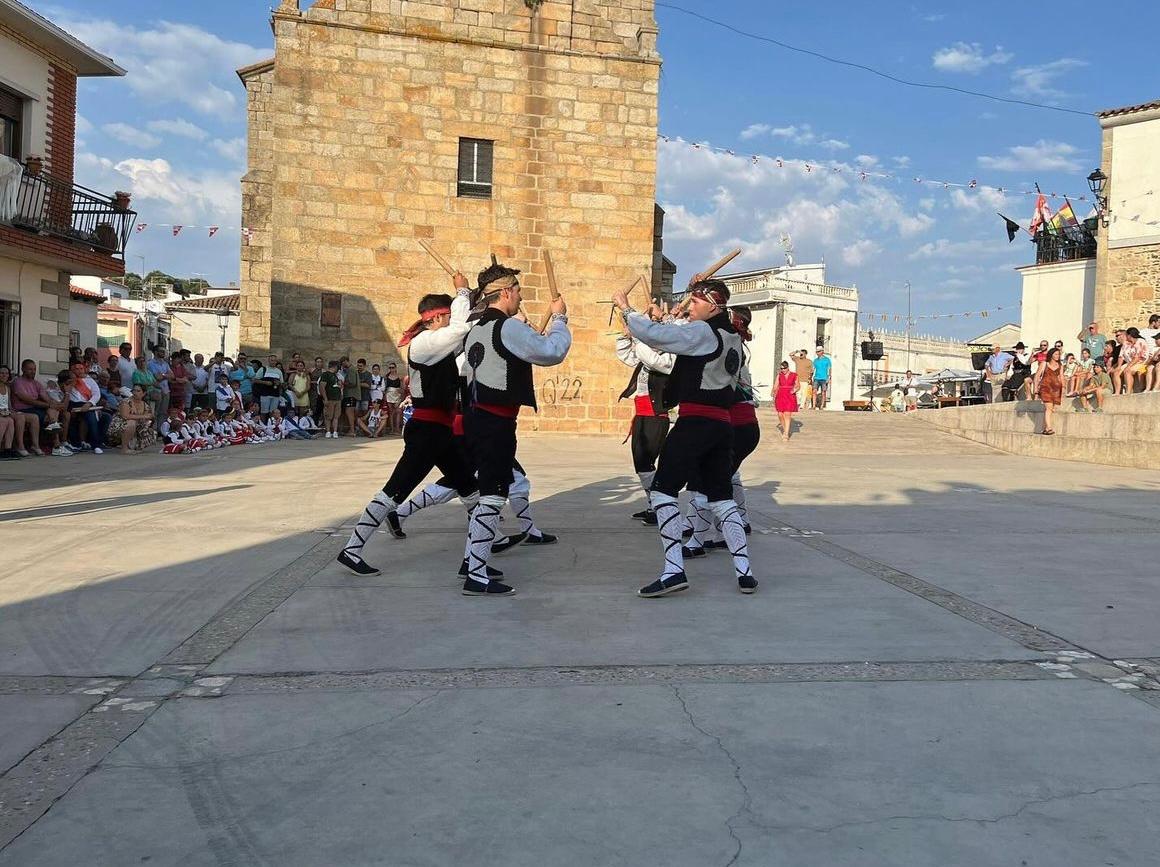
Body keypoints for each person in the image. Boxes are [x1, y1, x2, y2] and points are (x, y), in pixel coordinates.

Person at [614, 278, 754, 598]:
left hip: (695, 423)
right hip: (722, 426)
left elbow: (659, 336)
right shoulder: (733, 338)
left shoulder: (704, 332)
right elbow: (677, 338)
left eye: (695, 302)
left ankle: (674, 570)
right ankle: (745, 572)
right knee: (721, 498)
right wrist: (674, 316)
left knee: (663, 492)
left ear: (713, 305)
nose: (690, 307)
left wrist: (626, 308)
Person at [338, 272, 483, 580]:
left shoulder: (440, 345)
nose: (450, 322)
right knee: (394, 492)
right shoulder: (423, 344)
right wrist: (461, 291)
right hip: (426, 433)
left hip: (441, 433)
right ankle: (351, 550)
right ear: (438, 317)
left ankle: (472, 560)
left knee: (472, 492)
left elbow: (465, 329)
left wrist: (476, 295)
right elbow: (459, 328)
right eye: (447, 316)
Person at [449, 259, 570, 596]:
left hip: (477, 420)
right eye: (516, 290)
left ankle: (471, 563)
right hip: (494, 423)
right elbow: (552, 351)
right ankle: (476, 574)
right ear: (504, 292)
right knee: (492, 494)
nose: (519, 296)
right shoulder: (506, 327)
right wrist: (560, 318)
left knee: (487, 491)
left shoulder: (476, 328)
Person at [615, 302, 674, 525]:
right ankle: (654, 505)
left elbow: (654, 360)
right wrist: (626, 335)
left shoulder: (669, 356)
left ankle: (660, 506)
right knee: (641, 463)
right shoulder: (648, 352)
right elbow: (627, 357)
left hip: (655, 416)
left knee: (646, 461)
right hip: (642, 415)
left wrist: (639, 336)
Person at [66, 360, 110, 453]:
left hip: (88, 404)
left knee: (99, 416)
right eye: (76, 369)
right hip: (74, 404)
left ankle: (97, 443)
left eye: (81, 368)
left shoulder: (90, 380)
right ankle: (85, 444)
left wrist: (89, 403)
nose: (79, 371)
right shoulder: (69, 380)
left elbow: (96, 394)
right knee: (85, 416)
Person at [106, 384, 157, 454]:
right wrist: (143, 416)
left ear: (144, 393)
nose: (135, 392)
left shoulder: (145, 405)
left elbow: (149, 417)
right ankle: (124, 449)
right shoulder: (126, 401)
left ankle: (134, 445)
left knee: (151, 431)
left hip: (137, 427)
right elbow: (125, 416)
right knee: (131, 422)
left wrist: (149, 418)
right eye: (134, 390)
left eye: (138, 391)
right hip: (119, 426)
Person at [1033, 346, 1063, 435]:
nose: (1058, 356)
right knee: (1049, 408)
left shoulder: (1060, 365)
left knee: (1051, 409)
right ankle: (1049, 428)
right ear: (1051, 355)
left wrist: (1063, 388)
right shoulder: (1044, 364)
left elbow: (1061, 377)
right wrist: (1035, 389)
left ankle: (1046, 428)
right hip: (1045, 387)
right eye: (1056, 354)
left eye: (1058, 354)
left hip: (1056, 389)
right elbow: (1037, 376)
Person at [773, 359, 798, 440]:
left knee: (787, 414)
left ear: (788, 368)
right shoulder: (779, 375)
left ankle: (786, 434)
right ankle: (785, 429)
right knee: (780, 414)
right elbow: (776, 385)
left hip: (790, 395)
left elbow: (798, 385)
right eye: (781, 368)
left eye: (784, 368)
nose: (783, 370)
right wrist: (773, 392)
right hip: (780, 395)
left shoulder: (794, 375)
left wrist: (795, 390)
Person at [147, 347, 172, 423]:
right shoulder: (150, 363)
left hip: (166, 390)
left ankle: (161, 430)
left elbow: (172, 375)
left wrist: (163, 375)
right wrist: (166, 375)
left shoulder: (165, 363)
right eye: (161, 351)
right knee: (155, 412)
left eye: (164, 351)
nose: (163, 353)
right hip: (156, 390)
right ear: (155, 352)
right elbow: (157, 377)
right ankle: (154, 430)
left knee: (163, 412)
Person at [318, 360, 343, 438]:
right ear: (334, 367)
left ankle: (335, 431)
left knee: (336, 416)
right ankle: (328, 431)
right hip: (330, 398)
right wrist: (325, 398)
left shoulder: (335, 375)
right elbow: (322, 387)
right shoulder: (325, 375)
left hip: (337, 399)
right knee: (328, 416)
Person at [256, 354, 284, 419]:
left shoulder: (278, 371)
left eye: (275, 361)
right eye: (272, 360)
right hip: (265, 394)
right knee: (264, 412)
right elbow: (255, 380)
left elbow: (282, 383)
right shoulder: (263, 369)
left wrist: (279, 383)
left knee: (273, 413)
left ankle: (272, 426)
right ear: (268, 360)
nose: (273, 362)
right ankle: (263, 426)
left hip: (275, 395)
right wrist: (265, 382)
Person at [383, 362, 404, 434]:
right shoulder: (386, 377)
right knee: (391, 413)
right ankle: (392, 430)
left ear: (395, 368)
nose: (391, 369)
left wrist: (400, 398)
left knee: (398, 412)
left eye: (393, 367)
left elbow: (402, 388)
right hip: (389, 395)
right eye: (390, 368)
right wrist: (385, 396)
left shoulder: (399, 377)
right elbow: (385, 388)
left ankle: (397, 429)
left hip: (397, 395)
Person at [0, 365, 15, 458]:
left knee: (10, 421)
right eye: (1, 373)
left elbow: (9, 405)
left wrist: (10, 411)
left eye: (6, 373)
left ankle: (7, 449)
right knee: (3, 421)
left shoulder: (7, 388)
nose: (4, 375)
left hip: (5, 413)